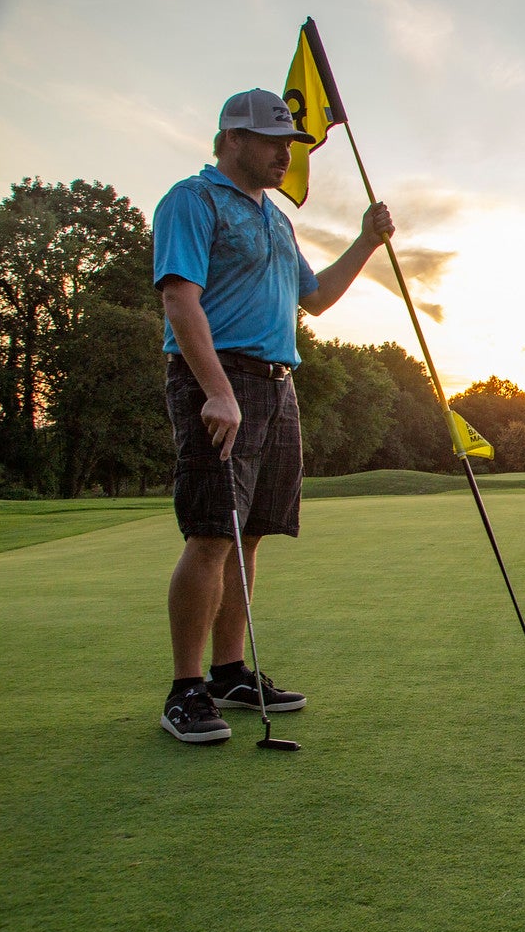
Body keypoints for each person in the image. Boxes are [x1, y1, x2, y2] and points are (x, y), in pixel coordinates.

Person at [152, 88, 395, 744]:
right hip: (217, 379)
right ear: (232, 138)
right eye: (271, 140)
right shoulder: (192, 200)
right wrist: (215, 390)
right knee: (210, 532)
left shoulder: (277, 222)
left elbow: (314, 299)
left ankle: (229, 671)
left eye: (288, 141)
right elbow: (180, 300)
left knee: (249, 533)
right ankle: (186, 688)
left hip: (276, 384)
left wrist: (367, 242)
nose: (284, 152)